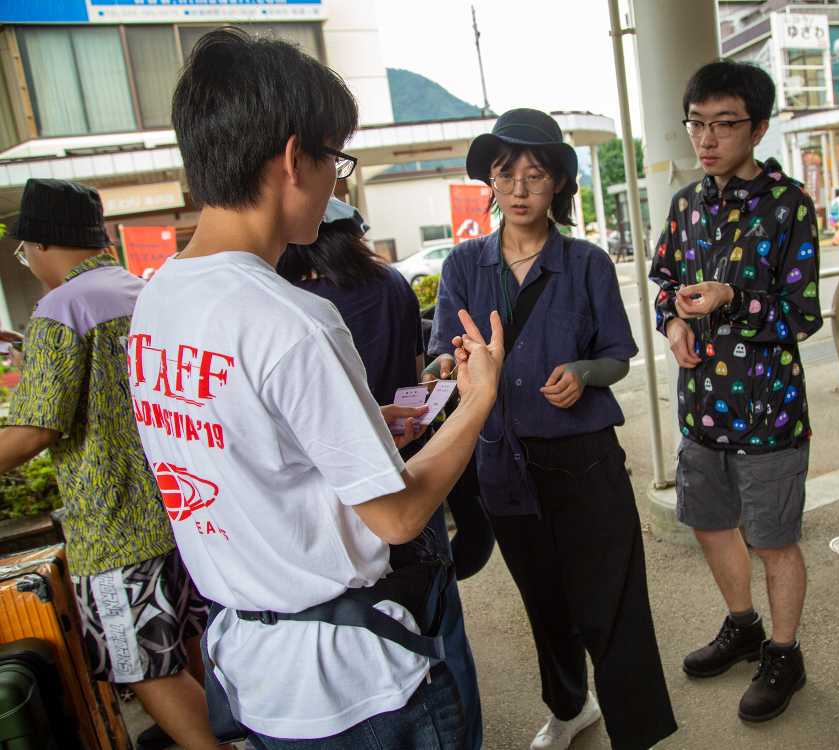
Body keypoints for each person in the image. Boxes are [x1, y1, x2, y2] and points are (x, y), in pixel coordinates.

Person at [129, 28, 503, 748]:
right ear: (294, 158)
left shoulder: (162, 298)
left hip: (258, 675)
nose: (340, 179)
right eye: (337, 159)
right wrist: (477, 399)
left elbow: (244, 447)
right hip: (357, 684)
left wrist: (365, 427)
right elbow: (394, 519)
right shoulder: (292, 320)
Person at [428, 108, 677, 750]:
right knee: (545, 602)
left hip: (586, 461)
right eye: (505, 173)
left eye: (534, 174)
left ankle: (638, 732)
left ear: (559, 185)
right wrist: (441, 370)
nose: (518, 188)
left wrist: (583, 373)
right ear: (490, 180)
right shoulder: (462, 267)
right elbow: (440, 352)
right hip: (503, 464)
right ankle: (570, 708)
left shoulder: (588, 264)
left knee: (613, 603)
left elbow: (618, 356)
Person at [0, 178, 226, 750]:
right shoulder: (138, 290)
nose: (28, 265)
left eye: (25, 253)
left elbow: (32, 432)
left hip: (114, 529)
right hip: (179, 512)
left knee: (142, 667)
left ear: (42, 244)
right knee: (186, 652)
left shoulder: (61, 308)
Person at [278, 198, 488, 750]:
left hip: (341, 494)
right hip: (408, 460)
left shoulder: (298, 302)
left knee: (371, 621)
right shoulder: (392, 283)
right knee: (440, 622)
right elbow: (415, 368)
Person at [650, 61, 822, 724]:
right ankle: (742, 625)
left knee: (773, 537)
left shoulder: (788, 206)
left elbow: (800, 314)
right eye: (697, 123)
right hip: (701, 407)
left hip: (767, 410)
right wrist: (671, 320)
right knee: (710, 524)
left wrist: (732, 299)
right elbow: (664, 277)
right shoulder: (686, 204)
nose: (707, 138)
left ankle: (784, 652)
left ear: (757, 127)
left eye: (724, 124)